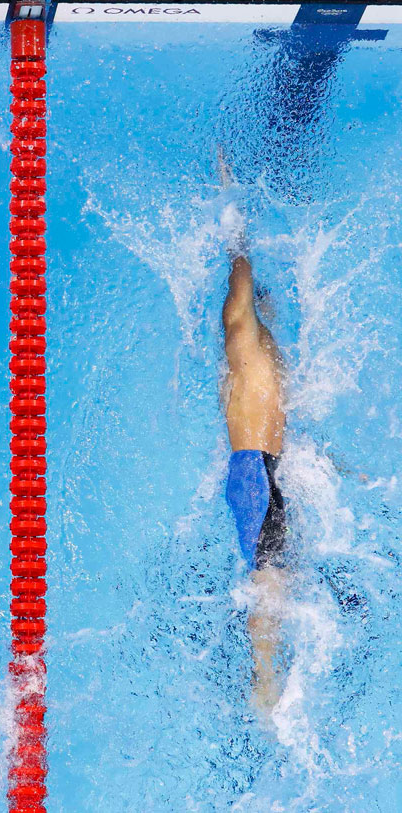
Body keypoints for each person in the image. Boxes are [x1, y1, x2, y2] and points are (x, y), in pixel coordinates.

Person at [217, 161, 289, 716]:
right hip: (254, 472)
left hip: (263, 470)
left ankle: (265, 669)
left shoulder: (266, 354)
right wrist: (230, 200)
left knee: (274, 574)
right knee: (267, 577)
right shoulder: (243, 336)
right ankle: (262, 678)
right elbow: (240, 269)